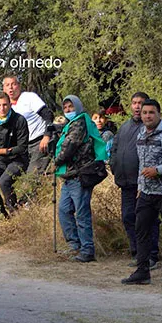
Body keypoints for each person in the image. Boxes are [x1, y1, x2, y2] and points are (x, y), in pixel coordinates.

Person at [121, 100, 162, 287]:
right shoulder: (141, 133)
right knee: (141, 230)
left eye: (151, 112)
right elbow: (142, 163)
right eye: (144, 113)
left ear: (159, 114)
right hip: (147, 193)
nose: (147, 116)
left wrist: (158, 170)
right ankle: (142, 271)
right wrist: (140, 186)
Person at [54, 95, 108, 263]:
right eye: (66, 108)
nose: (69, 110)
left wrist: (55, 160)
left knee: (82, 213)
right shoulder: (69, 124)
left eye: (71, 106)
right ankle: (73, 245)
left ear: (78, 106)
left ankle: (87, 249)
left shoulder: (80, 123)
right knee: (64, 210)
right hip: (69, 176)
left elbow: (69, 147)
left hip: (80, 175)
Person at [110, 92, 161, 268]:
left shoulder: (151, 127)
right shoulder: (124, 127)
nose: (137, 106)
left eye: (141, 103)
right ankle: (138, 253)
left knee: (148, 219)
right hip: (126, 182)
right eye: (134, 103)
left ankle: (151, 256)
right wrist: (115, 167)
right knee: (128, 217)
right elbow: (114, 149)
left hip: (145, 183)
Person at [0, 74, 53, 174]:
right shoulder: (4, 104)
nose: (10, 88)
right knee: (11, 177)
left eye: (13, 84)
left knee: (32, 177)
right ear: (3, 88)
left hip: (37, 142)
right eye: (7, 85)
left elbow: (48, 115)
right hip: (20, 147)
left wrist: (47, 136)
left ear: (19, 85)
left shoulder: (29, 97)